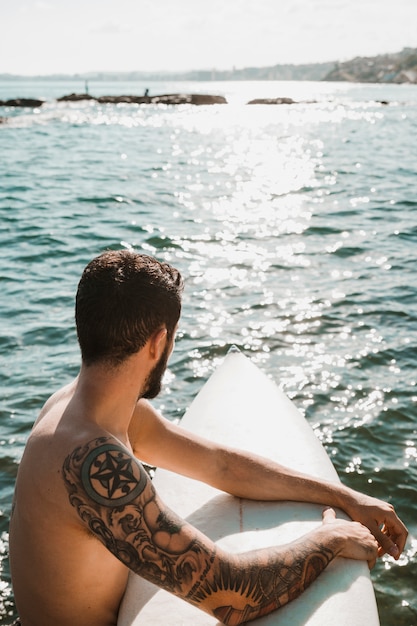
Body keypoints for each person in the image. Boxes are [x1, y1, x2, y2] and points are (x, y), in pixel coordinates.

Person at [9, 250, 407, 626]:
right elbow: (232, 596)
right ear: (158, 341)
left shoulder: (80, 407)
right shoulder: (93, 462)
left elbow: (219, 464)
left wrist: (342, 496)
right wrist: (329, 538)